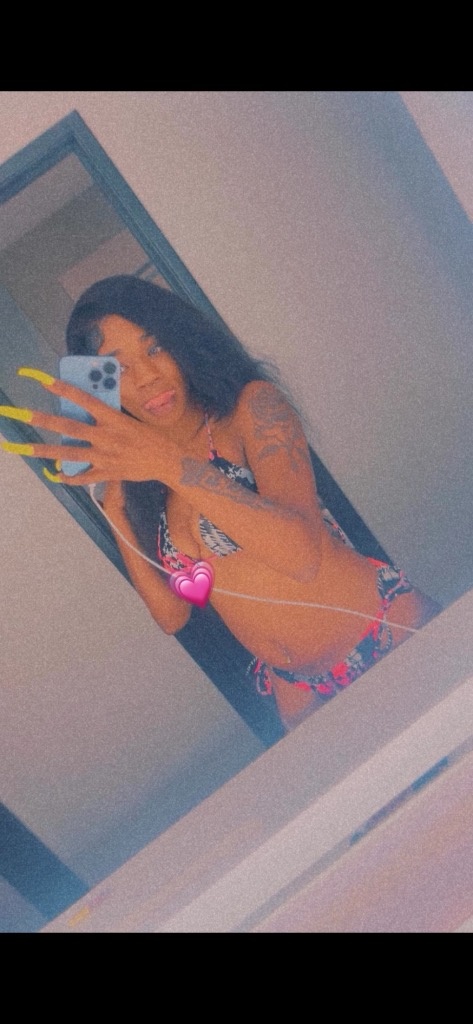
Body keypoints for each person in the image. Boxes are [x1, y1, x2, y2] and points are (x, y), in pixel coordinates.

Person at [0, 275, 441, 732]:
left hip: (382, 632)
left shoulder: (252, 408)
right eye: (119, 367)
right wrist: (115, 511)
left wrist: (167, 463)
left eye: (155, 348)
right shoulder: (145, 480)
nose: (147, 377)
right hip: (296, 688)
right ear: (102, 388)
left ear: (181, 341)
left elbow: (303, 555)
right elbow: (173, 616)